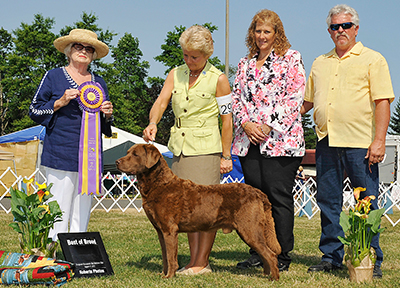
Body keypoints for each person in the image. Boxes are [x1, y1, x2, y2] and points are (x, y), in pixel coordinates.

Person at [302, 4, 394, 278]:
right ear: (329, 31)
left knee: (367, 201)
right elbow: (305, 102)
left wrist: (379, 141)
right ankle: (331, 256)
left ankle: (369, 259)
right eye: (334, 26)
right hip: (326, 140)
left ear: (356, 28)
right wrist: (274, 116)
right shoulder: (320, 62)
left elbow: (382, 102)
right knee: (327, 200)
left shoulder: (373, 59)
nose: (340, 31)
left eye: (345, 26)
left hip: (360, 143)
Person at [142, 25, 233, 275]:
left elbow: (227, 120)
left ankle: (201, 262)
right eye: (185, 55)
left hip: (206, 150)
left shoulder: (220, 79)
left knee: (205, 209)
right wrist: (153, 122)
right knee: (187, 210)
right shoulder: (175, 73)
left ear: (207, 54)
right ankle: (192, 261)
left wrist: (226, 155)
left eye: (194, 56)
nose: (189, 60)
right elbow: (161, 101)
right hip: (179, 150)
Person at [231, 9, 306, 272]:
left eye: (267, 31)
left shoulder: (291, 59)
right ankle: (258, 251)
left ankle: (282, 254)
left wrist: (266, 125)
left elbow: (295, 98)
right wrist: (247, 124)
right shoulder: (244, 63)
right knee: (255, 200)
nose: (262, 36)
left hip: (281, 142)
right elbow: (236, 98)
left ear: (277, 33)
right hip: (248, 140)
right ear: (252, 33)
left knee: (277, 197)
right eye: (258, 31)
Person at [29, 29, 114, 241]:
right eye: (78, 46)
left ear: (93, 55)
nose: (83, 51)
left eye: (88, 48)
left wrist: (108, 115)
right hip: (60, 151)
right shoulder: (53, 76)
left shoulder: (99, 82)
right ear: (68, 50)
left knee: (83, 205)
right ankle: (54, 251)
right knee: (58, 205)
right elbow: (34, 110)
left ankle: (78, 250)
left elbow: (105, 125)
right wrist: (60, 102)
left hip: (90, 157)